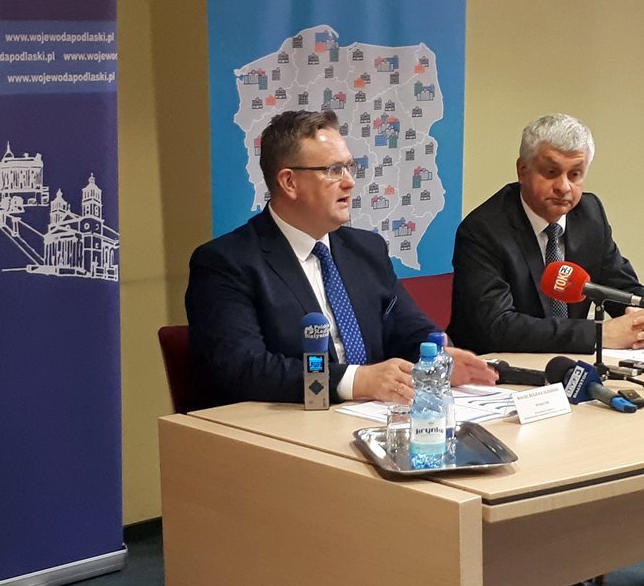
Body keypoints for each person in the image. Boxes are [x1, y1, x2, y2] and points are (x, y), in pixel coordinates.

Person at [185, 109, 496, 411]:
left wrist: (439, 357)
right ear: (289, 182)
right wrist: (355, 381)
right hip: (283, 426)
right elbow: (243, 368)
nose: (349, 182)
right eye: (333, 170)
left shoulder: (366, 248)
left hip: (374, 416)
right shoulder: (226, 263)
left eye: (349, 167)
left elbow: (406, 327)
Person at [449, 112, 644, 355]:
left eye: (575, 174)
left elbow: (621, 287)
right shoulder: (483, 230)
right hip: (493, 367)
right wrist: (598, 334)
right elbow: (497, 327)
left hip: (566, 363)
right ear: (522, 170)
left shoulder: (589, 215)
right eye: (551, 172)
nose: (564, 187)